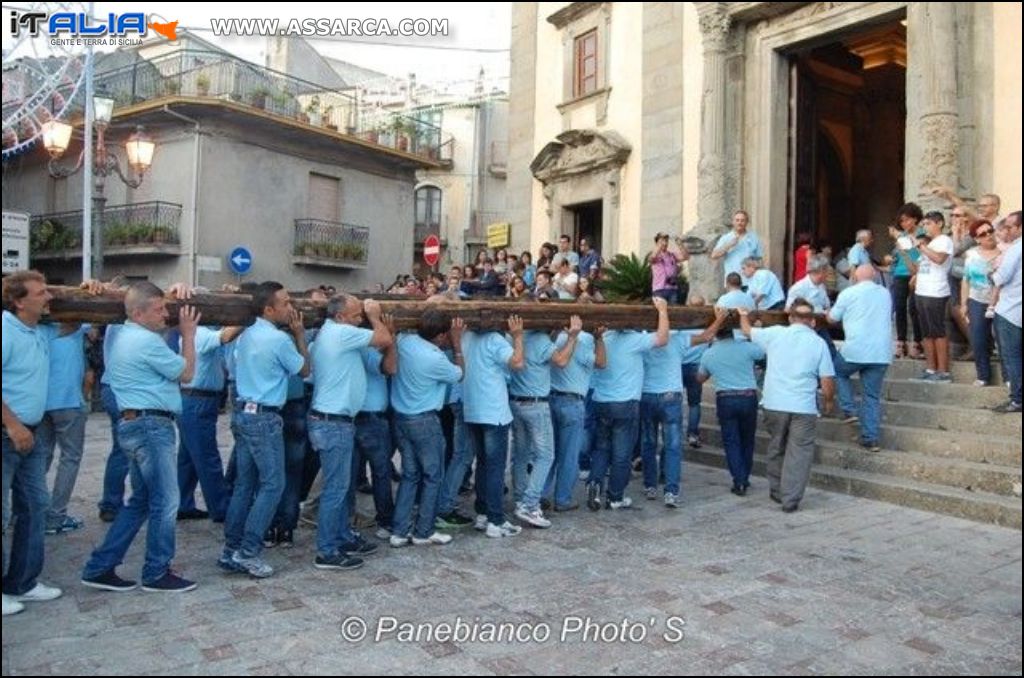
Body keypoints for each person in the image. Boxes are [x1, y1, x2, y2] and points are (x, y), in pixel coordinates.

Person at [81, 281, 201, 593]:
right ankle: (156, 572)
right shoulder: (145, 342)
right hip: (151, 427)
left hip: (136, 424)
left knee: (140, 501)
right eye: (159, 309)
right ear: (137, 313)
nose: (166, 314)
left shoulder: (122, 334)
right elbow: (187, 373)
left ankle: (100, 566)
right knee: (166, 500)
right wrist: (188, 335)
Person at [738, 299, 835, 512]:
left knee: (776, 446)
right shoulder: (818, 343)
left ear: (791, 318)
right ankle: (790, 498)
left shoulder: (775, 333)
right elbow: (827, 380)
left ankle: (776, 490)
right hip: (803, 406)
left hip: (774, 402)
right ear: (811, 321)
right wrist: (828, 401)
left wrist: (743, 314)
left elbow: (746, 331)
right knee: (799, 453)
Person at [828, 265, 893, 452]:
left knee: (837, 371)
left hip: (855, 349)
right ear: (874, 276)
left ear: (855, 277)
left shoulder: (848, 293)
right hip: (880, 352)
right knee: (872, 396)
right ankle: (871, 438)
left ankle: (848, 408)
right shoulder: (885, 293)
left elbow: (832, 318)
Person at [711, 210, 764, 282]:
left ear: (746, 222)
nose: (739, 223)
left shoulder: (754, 237)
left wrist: (753, 269)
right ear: (733, 222)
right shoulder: (726, 238)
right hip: (733, 281)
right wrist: (728, 245)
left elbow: (760, 259)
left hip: (750, 281)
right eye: (737, 220)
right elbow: (714, 255)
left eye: (742, 220)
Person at [648, 232, 689, 304]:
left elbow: (685, 257)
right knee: (661, 312)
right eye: (662, 241)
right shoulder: (655, 254)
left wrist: (680, 244)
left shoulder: (672, 255)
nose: (665, 243)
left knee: (673, 312)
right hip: (659, 289)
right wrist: (659, 246)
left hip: (672, 289)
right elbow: (652, 258)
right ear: (657, 243)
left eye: (666, 241)